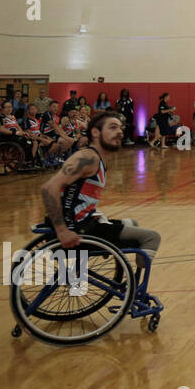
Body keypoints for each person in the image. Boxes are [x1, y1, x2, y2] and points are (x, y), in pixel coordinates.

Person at [41, 112, 161, 271]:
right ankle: (135, 289)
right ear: (95, 133)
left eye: (120, 128)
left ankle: (126, 279)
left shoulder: (97, 158)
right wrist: (62, 230)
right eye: (112, 127)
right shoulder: (87, 158)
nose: (119, 132)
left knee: (132, 224)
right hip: (79, 229)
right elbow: (49, 188)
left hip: (85, 223)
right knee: (152, 237)